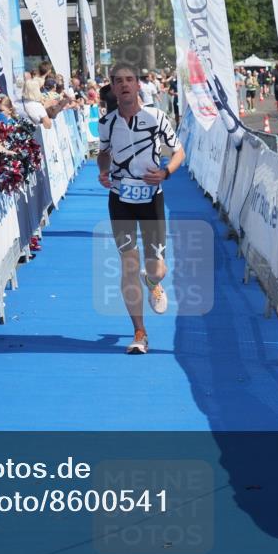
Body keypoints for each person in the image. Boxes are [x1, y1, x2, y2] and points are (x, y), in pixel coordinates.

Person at [97, 63, 185, 355]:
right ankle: (139, 332)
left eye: (129, 80)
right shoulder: (107, 123)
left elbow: (178, 151)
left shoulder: (157, 117)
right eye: (118, 81)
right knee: (129, 264)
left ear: (138, 85)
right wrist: (103, 171)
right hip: (120, 198)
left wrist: (166, 172)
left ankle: (153, 281)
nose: (124, 85)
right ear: (112, 88)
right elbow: (103, 153)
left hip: (151, 199)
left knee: (156, 268)